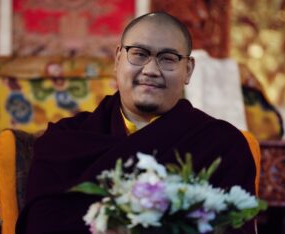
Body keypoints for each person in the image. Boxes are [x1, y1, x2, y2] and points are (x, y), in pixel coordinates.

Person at [16, 12, 256, 234]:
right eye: (139, 54)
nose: (151, 70)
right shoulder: (63, 142)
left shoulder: (221, 145)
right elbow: (41, 225)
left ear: (188, 70)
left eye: (168, 58)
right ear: (118, 58)